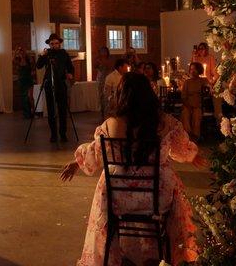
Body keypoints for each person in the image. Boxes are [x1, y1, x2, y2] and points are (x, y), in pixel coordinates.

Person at [60, 73, 204, 265]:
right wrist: (192, 155)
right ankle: (164, 256)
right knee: (173, 187)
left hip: (118, 197)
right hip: (156, 198)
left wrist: (77, 163)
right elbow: (182, 148)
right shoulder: (165, 122)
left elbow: (94, 153)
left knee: (105, 183)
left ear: (122, 95)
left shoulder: (110, 124)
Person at [36, 33, 74, 142]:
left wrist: (70, 73)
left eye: (56, 43)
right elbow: (38, 66)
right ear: (49, 44)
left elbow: (70, 67)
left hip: (61, 84)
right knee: (51, 111)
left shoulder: (64, 54)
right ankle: (53, 134)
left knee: (62, 111)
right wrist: (42, 55)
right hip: (49, 85)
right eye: (52, 44)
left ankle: (63, 133)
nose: (54, 45)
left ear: (59, 44)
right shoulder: (47, 54)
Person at [191, 42, 221, 121]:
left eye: (203, 48)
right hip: (197, 83)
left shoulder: (210, 57)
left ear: (206, 49)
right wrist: (194, 57)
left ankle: (218, 117)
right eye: (199, 49)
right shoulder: (195, 57)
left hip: (208, 83)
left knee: (217, 93)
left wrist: (212, 82)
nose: (201, 51)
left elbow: (216, 74)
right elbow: (191, 72)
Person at [181, 62, 210, 141]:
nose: (192, 71)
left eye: (195, 69)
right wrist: (189, 107)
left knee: (197, 116)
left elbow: (209, 90)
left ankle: (195, 137)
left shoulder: (203, 80)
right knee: (185, 115)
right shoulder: (187, 82)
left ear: (199, 70)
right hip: (188, 105)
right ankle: (188, 136)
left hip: (198, 106)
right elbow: (183, 97)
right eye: (191, 69)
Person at [14, 46, 35, 119]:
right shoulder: (17, 61)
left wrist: (25, 51)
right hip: (21, 81)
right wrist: (16, 51)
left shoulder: (29, 60)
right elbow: (13, 60)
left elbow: (32, 67)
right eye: (20, 52)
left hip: (29, 80)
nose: (21, 53)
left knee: (30, 97)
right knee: (23, 98)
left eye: (22, 52)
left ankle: (33, 112)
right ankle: (26, 114)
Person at [95, 46, 112, 121]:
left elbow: (110, 67)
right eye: (101, 51)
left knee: (107, 97)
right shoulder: (98, 59)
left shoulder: (109, 60)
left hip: (107, 78)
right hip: (100, 79)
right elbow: (95, 66)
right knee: (101, 97)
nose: (103, 53)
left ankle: (107, 113)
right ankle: (102, 114)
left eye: (104, 51)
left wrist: (103, 61)